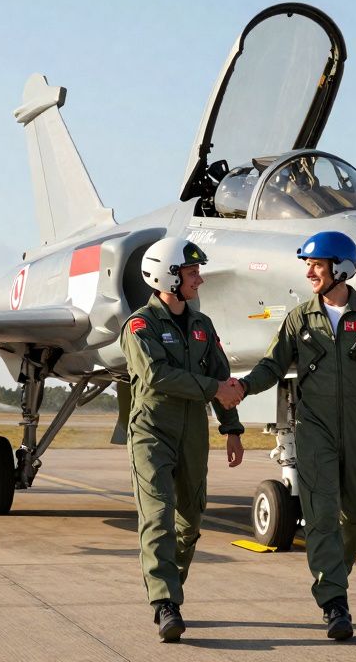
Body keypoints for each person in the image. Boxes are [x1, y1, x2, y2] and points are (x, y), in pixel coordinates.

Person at [236, 231, 356, 641]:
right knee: (320, 516)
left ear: (341, 269)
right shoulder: (300, 318)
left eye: (316, 265)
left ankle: (334, 574)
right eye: (309, 265)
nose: (309, 272)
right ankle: (334, 602)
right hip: (313, 426)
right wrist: (245, 387)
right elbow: (272, 364)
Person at [118, 236, 245, 642]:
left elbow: (221, 378)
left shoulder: (202, 327)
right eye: (192, 273)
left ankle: (170, 588)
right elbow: (156, 375)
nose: (200, 280)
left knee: (189, 523)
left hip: (194, 434)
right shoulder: (139, 325)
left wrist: (232, 428)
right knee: (158, 518)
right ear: (168, 277)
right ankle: (165, 602)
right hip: (152, 431)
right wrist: (213, 390)